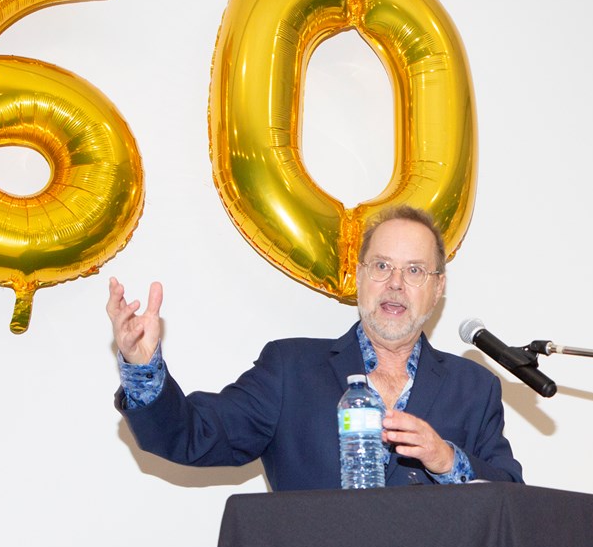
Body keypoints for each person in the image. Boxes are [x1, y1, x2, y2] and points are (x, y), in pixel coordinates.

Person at [106, 204, 523, 488]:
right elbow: (190, 436)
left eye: (414, 270)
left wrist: (448, 461)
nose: (395, 283)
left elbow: (512, 500)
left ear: (437, 289)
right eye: (381, 266)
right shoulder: (291, 370)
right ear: (359, 277)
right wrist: (143, 369)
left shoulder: (474, 387)